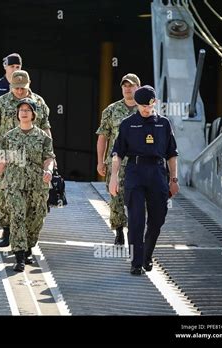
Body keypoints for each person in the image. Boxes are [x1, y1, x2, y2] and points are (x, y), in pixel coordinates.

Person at [109, 85, 179, 275]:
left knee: (157, 219)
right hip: (135, 172)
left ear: (154, 103)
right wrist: (113, 177)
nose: (146, 110)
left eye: (149, 106)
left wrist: (173, 178)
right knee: (136, 219)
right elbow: (117, 153)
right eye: (142, 107)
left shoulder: (163, 124)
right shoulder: (128, 124)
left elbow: (172, 154)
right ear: (137, 105)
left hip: (157, 173)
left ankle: (147, 254)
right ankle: (136, 262)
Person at [0, 70, 52, 248]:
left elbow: (46, 130)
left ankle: (25, 238)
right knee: (4, 197)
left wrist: (51, 156)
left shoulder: (39, 104)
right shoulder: (0, 103)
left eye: (23, 88)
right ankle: (7, 230)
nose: (19, 91)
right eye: (16, 88)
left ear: (29, 85)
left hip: (32, 160)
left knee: (31, 202)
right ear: (10, 86)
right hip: (6, 158)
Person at [0, 98, 55, 272]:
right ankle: (19, 256)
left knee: (35, 219)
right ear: (17, 114)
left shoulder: (43, 137)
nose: (24, 112)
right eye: (21, 110)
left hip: (37, 185)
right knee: (17, 216)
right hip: (14, 183)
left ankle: (28, 249)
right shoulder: (9, 136)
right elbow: (2, 160)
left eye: (28, 110)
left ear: (34, 114)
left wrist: (48, 171)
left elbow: (49, 158)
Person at [96, 73, 140, 245]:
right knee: (116, 198)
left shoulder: (145, 109)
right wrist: (100, 161)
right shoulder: (111, 110)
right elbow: (103, 137)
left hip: (139, 163)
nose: (128, 88)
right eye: (125, 85)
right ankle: (119, 231)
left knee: (137, 199)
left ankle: (135, 231)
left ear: (138, 87)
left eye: (131, 85)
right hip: (116, 162)